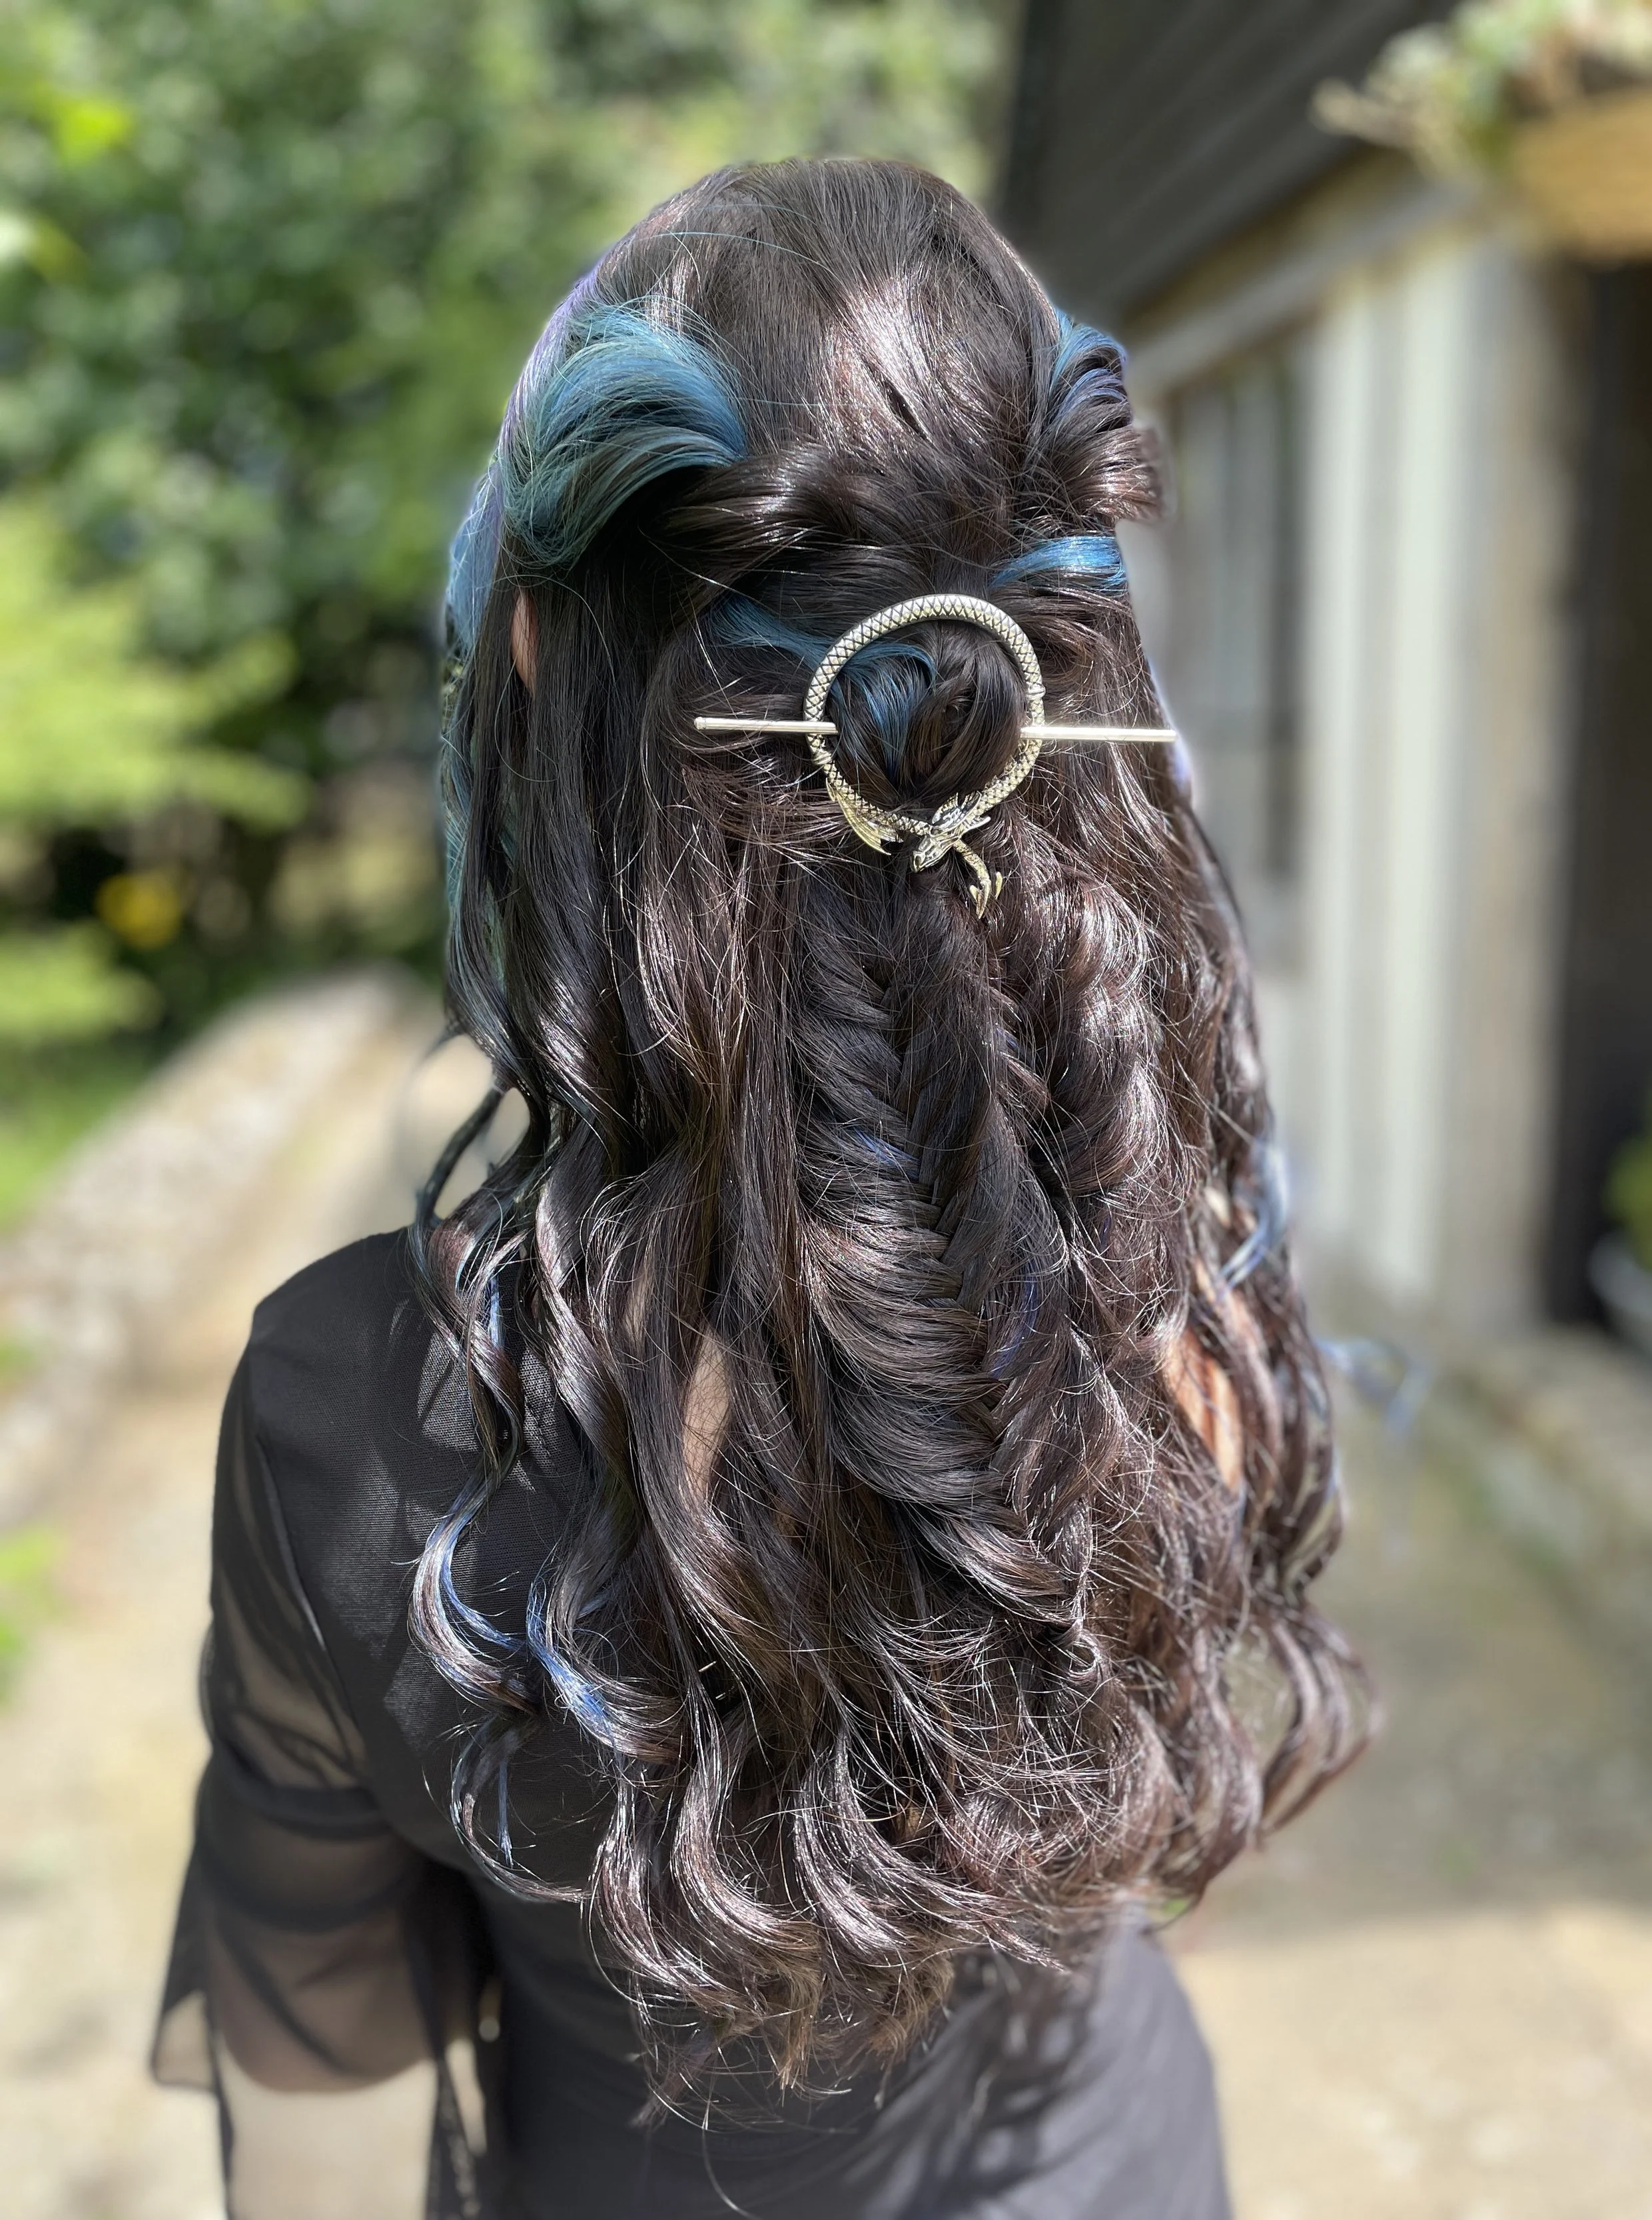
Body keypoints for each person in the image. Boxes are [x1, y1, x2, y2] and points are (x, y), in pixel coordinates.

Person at [153, 157, 1363, 2220]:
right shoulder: (1185, 1277)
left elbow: (322, 2103)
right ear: (1061, 677)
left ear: (536, 661)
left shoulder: (352, 1410)